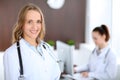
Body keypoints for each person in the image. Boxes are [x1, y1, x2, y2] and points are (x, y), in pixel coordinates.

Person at [3, 3, 61, 80]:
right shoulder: (11, 54)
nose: (35, 26)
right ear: (22, 24)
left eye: (38, 21)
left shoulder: (47, 47)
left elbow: (56, 75)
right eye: (30, 22)